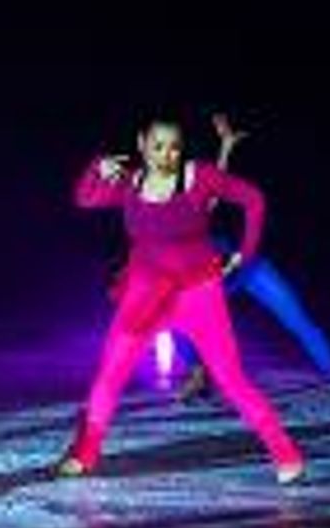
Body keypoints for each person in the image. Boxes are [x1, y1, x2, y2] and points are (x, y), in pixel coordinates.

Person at [57, 114, 305, 483]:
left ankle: (285, 453)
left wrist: (245, 253)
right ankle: (85, 452)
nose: (166, 154)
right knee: (111, 370)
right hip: (145, 295)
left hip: (198, 293)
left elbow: (254, 199)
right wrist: (97, 168)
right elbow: (85, 198)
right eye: (158, 146)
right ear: (142, 144)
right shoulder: (130, 183)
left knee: (229, 376)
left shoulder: (199, 177)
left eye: (174, 146)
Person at [173, 113, 330, 405]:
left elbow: (216, 184)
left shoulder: (195, 198)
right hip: (209, 280)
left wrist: (226, 146)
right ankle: (198, 373)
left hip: (246, 266)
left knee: (297, 317)